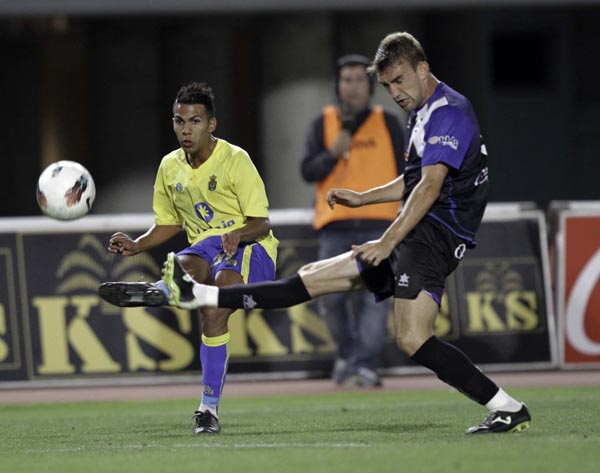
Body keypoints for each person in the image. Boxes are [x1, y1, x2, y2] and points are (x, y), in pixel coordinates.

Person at [161, 32, 531, 435]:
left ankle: (506, 407)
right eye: (388, 85)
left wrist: (386, 241)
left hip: (432, 238)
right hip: (420, 235)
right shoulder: (422, 113)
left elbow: (429, 187)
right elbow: (411, 180)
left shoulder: (449, 112)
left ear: (423, 69)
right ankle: (205, 295)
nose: (395, 92)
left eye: (400, 81)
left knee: (409, 337)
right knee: (312, 279)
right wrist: (362, 197)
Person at [98, 82, 278, 435]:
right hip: (205, 250)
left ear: (212, 124)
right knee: (184, 266)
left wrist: (237, 234)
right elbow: (169, 223)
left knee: (215, 304)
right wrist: (137, 245)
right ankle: (164, 288)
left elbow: (262, 222)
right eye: (179, 121)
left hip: (249, 247)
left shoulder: (235, 159)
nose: (185, 129)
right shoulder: (169, 167)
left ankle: (207, 408)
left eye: (194, 121)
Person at [300, 54, 405, 387]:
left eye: (360, 79)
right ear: (338, 86)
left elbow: (409, 172)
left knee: (375, 302)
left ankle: (363, 366)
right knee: (329, 299)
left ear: (371, 85)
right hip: (335, 225)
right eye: (347, 80)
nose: (354, 86)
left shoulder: (388, 122)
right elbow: (307, 171)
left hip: (380, 224)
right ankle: (348, 356)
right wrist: (332, 153)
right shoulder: (323, 123)